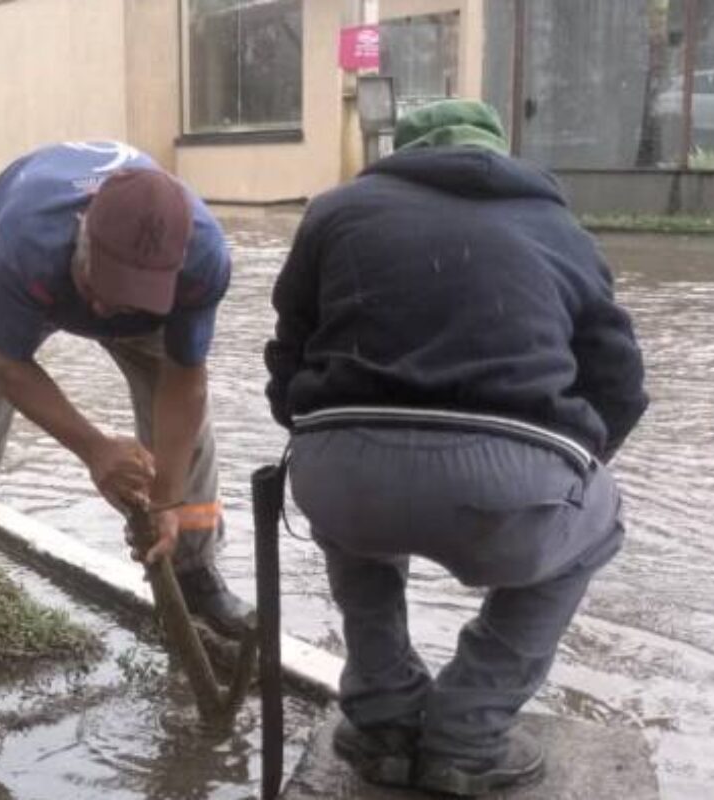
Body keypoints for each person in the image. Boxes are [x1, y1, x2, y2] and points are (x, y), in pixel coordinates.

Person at [264, 100, 647, 796]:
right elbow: (620, 382)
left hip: (344, 471)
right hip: (511, 481)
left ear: (403, 154)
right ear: (501, 154)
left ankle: (382, 717)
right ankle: (466, 736)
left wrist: (329, 442)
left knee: (357, 528)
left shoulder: (335, 211)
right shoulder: (562, 229)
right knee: (601, 524)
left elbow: (288, 352)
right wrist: (568, 475)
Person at [0, 141, 251, 660]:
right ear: (82, 232)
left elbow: (185, 381)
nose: (107, 308)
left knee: (186, 429)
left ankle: (193, 572)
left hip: (138, 287)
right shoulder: (27, 242)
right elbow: (9, 367)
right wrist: (95, 450)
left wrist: (169, 498)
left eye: (130, 295)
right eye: (103, 286)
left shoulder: (202, 258)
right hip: (32, 264)